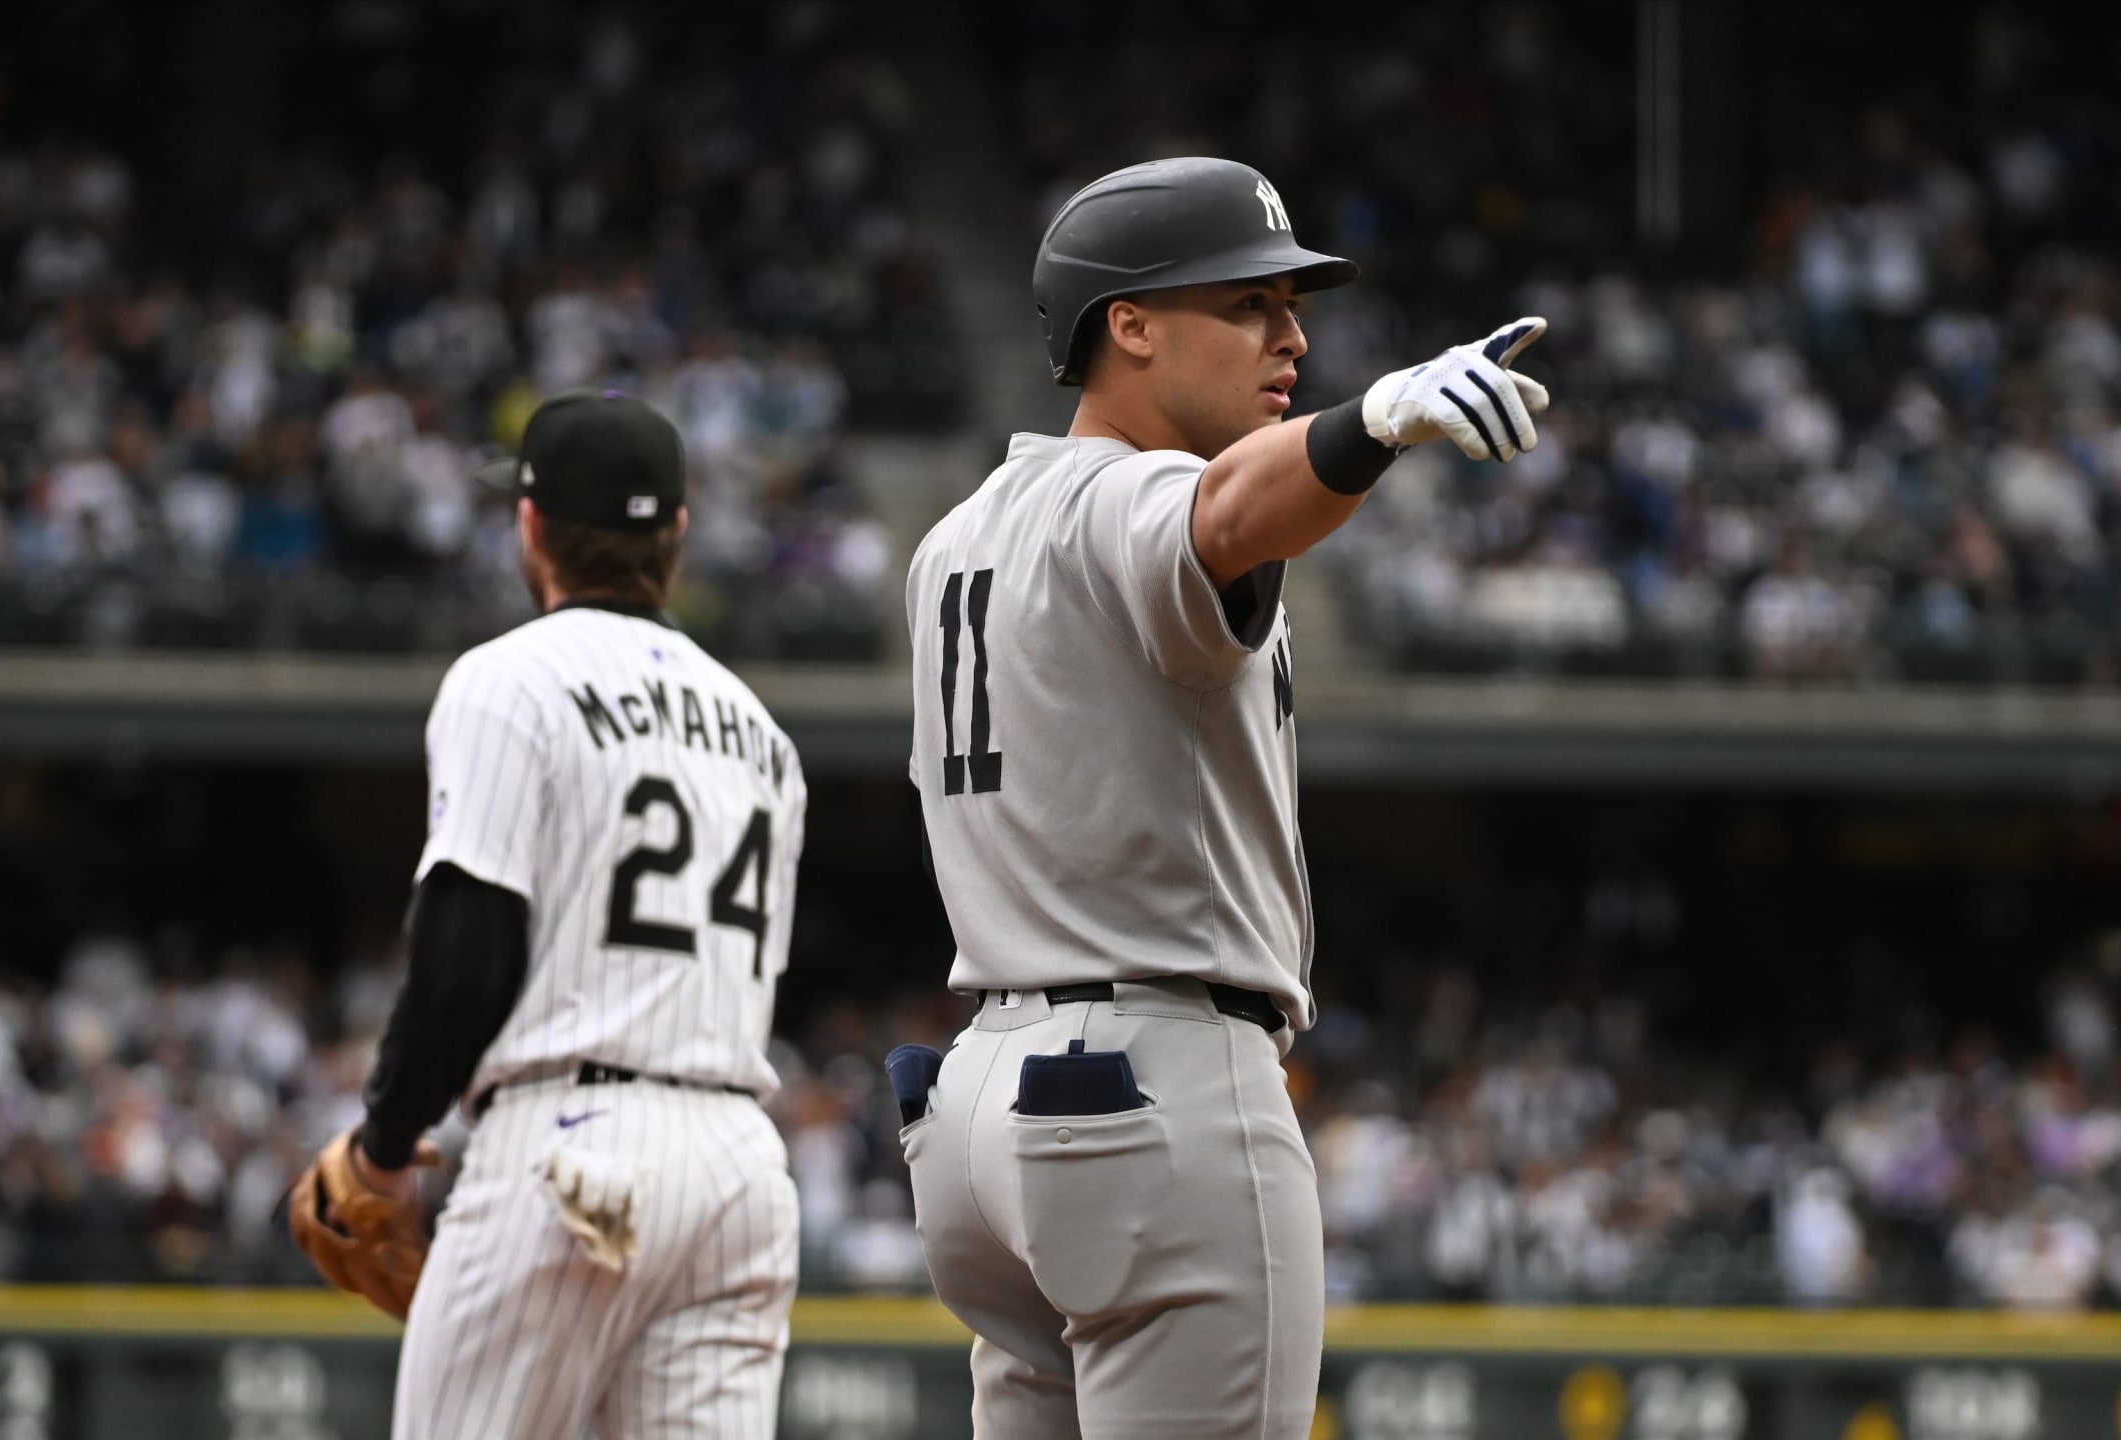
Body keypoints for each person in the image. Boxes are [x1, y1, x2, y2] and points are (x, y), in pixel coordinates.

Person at [897, 156, 1549, 1439]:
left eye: (1290, 307)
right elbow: (1224, 513)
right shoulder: (1125, 498)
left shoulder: (953, 538)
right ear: (1129, 326)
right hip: (1151, 1090)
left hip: (979, 1113)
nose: (1290, 337)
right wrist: (1376, 424)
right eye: (1248, 304)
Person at [286, 391, 809, 1439]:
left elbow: (463, 956)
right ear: (676, 535)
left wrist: (385, 1148)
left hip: (575, 1146)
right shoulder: (764, 737)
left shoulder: (508, 680)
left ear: (530, 526)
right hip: (739, 1171)